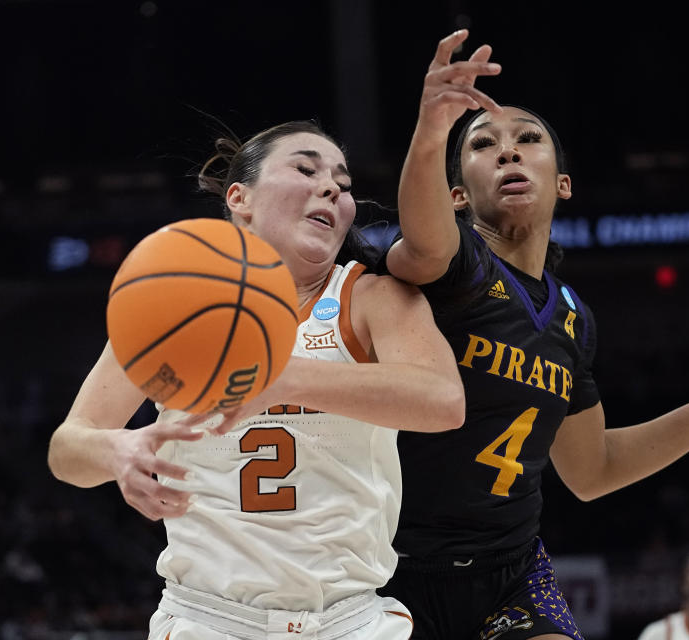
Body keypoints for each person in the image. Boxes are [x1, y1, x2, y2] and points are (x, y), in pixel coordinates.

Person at [377, 30, 689, 640]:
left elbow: (592, 468)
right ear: (457, 195)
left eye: (528, 140)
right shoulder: (457, 262)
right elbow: (422, 240)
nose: (508, 152)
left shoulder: (574, 315)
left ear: (563, 183)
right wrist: (431, 126)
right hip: (393, 567)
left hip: (511, 569)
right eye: (483, 143)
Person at [47, 120, 466, 640]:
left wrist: (286, 377)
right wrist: (114, 453)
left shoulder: (372, 297)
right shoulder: (174, 306)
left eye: (344, 181)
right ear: (240, 197)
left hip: (351, 621)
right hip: (209, 620)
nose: (333, 187)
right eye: (306, 168)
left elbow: (444, 401)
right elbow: (67, 449)